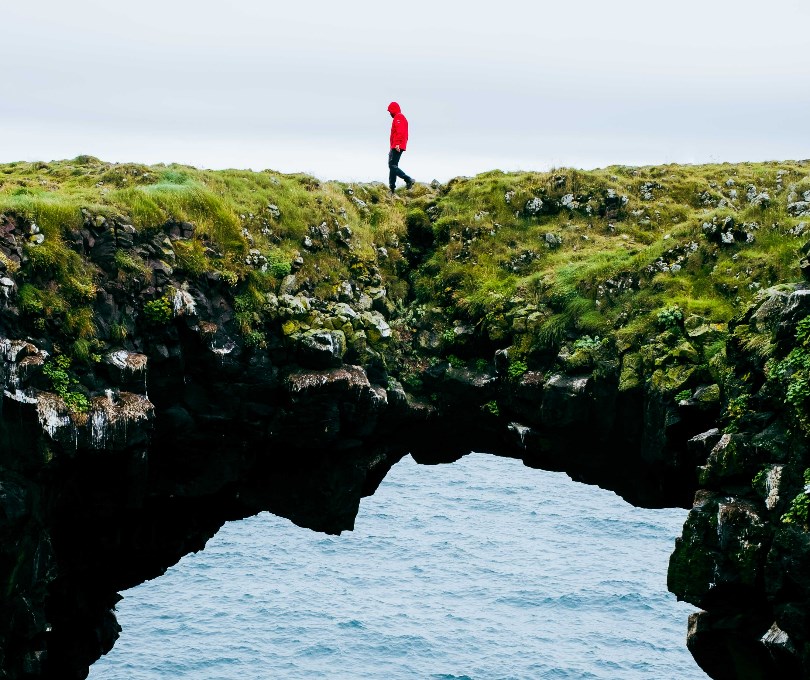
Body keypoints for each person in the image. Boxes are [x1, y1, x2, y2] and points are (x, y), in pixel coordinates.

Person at [387, 101, 414, 194]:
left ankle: (408, 179)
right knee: (393, 166)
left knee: (392, 165)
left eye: (390, 111)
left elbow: (400, 131)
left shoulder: (399, 117)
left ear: (393, 110)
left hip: (397, 145)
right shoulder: (399, 117)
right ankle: (392, 188)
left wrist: (397, 144)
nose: (389, 113)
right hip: (396, 145)